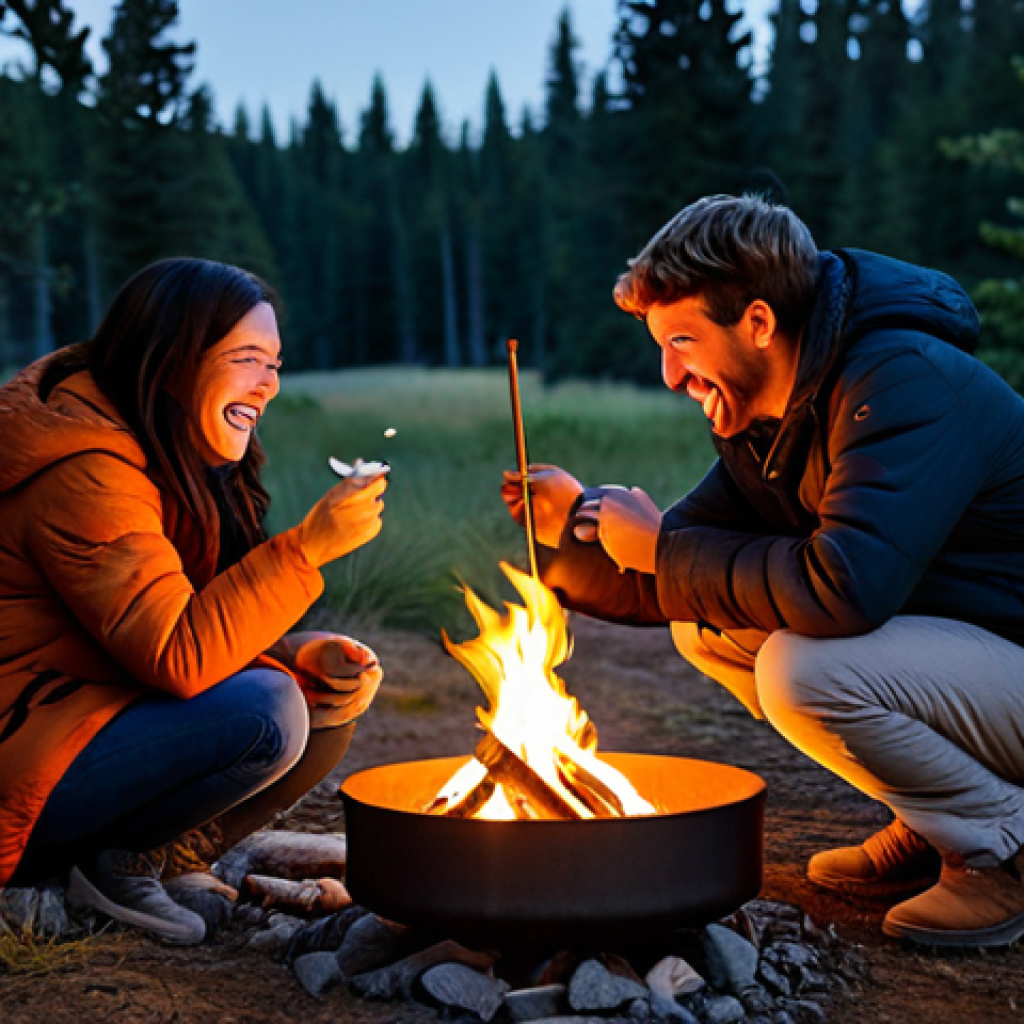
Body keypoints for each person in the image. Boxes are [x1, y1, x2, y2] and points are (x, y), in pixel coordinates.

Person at [503, 194, 1024, 949]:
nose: (670, 373)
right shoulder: (774, 418)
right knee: (706, 627)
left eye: (682, 340)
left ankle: (1000, 844)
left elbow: (844, 588)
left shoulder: (901, 383)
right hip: (985, 672)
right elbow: (681, 574)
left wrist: (663, 550)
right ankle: (937, 815)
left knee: (799, 666)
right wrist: (574, 523)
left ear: (757, 322)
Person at [0, 258, 387, 945]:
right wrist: (304, 552)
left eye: (273, 362)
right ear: (172, 360)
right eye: (245, 359)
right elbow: (177, 654)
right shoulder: (84, 469)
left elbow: (159, 619)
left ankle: (143, 859)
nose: (267, 383)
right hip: (22, 757)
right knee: (267, 710)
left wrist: (294, 650)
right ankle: (90, 863)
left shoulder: (165, 449)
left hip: (83, 710)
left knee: (319, 696)